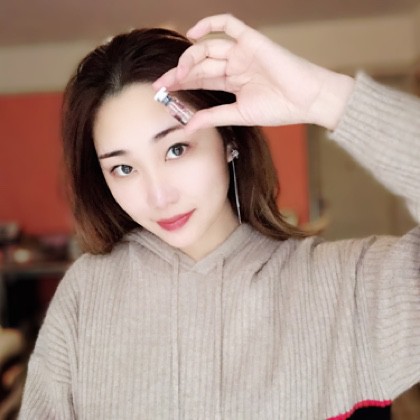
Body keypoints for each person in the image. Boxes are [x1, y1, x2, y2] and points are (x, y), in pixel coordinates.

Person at [18, 14, 419, 420]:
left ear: (228, 138)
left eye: (176, 149)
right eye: (124, 168)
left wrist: (323, 98)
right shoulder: (87, 296)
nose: (159, 196)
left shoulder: (350, 289)